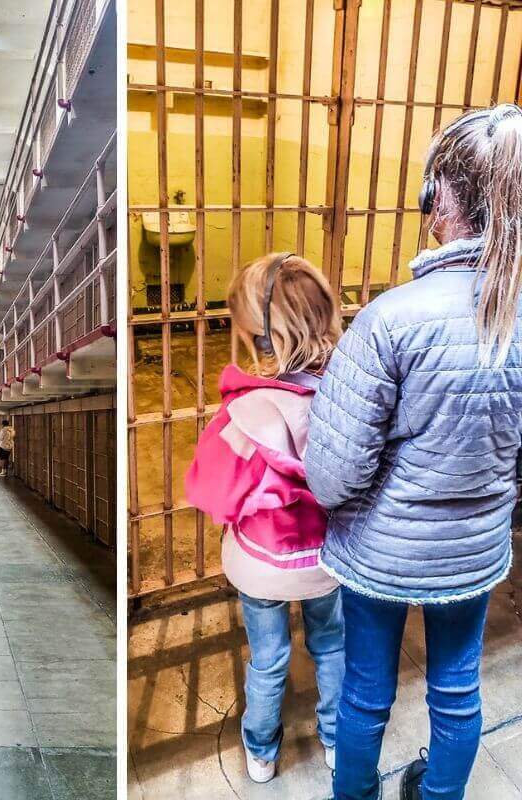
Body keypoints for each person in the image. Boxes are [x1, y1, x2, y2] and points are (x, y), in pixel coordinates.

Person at [305, 104, 522, 800]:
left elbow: (334, 477)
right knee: (458, 691)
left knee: (366, 695)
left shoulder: (390, 320)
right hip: (475, 547)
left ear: (441, 202)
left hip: (384, 552)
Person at [185, 254, 345, 784]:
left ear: (260, 338)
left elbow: (214, 489)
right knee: (333, 644)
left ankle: (260, 749)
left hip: (261, 561)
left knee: (268, 656)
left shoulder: (247, 411)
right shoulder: (348, 397)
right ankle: (335, 739)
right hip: (326, 557)